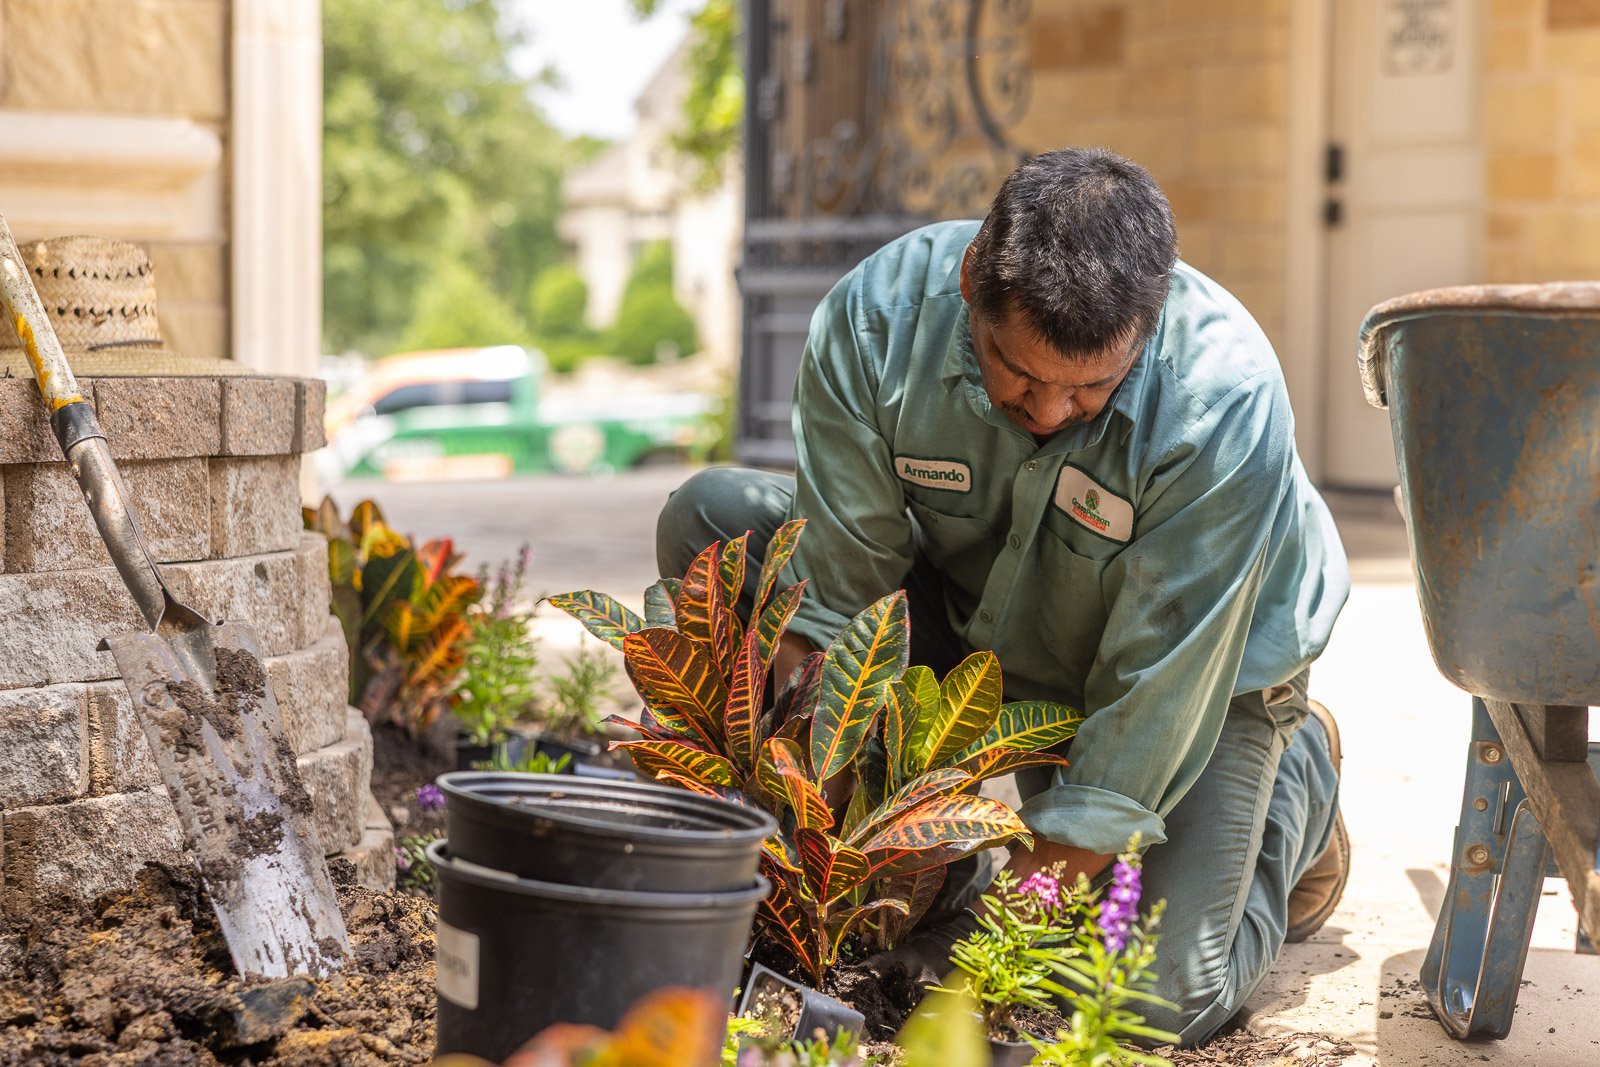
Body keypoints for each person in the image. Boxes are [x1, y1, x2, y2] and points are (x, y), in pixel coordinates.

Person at [657, 146, 1349, 1045]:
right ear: (970, 281)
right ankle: (943, 870)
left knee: (1146, 997)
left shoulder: (1223, 403)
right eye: (1016, 373)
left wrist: (994, 950)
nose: (1052, 413)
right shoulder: (875, 325)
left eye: (1092, 387)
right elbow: (833, 601)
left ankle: (1296, 779)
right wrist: (816, 847)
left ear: (1152, 316)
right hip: (979, 618)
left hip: (1201, 682)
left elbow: (1148, 715)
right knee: (713, 519)